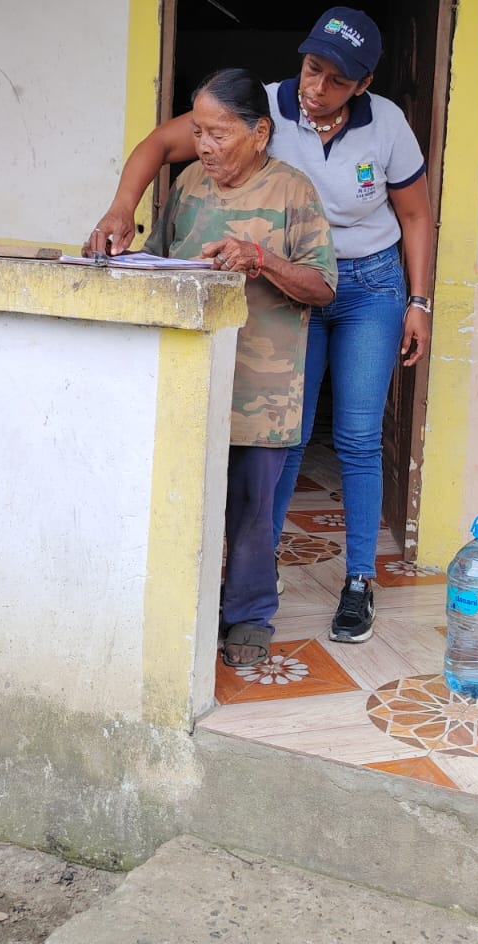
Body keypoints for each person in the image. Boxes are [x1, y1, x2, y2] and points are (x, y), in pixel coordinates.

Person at [85, 8, 436, 647]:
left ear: (363, 84)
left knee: (358, 435)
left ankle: (359, 579)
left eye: (336, 80)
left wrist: (419, 301)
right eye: (312, 68)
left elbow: (414, 215)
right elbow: (160, 146)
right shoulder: (260, 107)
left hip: (367, 283)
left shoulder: (385, 125)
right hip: (283, 284)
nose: (316, 87)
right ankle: (256, 579)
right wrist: (120, 209)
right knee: (287, 433)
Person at [149, 68, 337, 668]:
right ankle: (187, 605)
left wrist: (260, 258)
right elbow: (156, 261)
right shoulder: (187, 185)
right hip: (191, 380)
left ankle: (249, 616)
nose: (204, 146)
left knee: (252, 509)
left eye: (219, 133)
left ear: (259, 133)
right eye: (198, 133)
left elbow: (323, 286)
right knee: (184, 500)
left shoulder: (293, 192)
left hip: (264, 386)